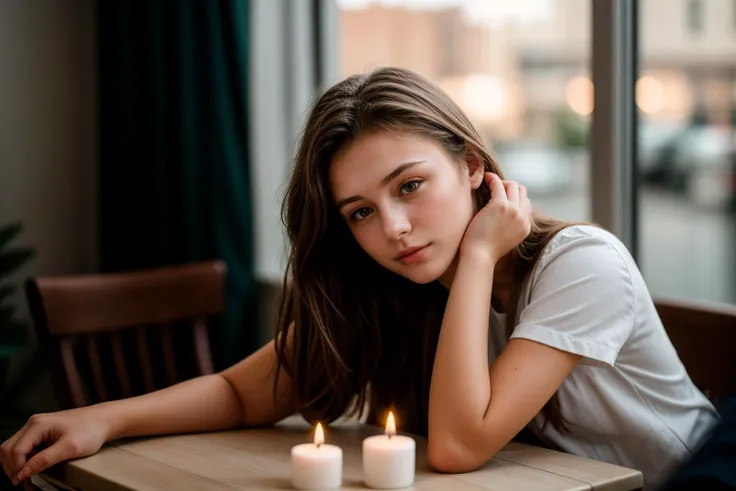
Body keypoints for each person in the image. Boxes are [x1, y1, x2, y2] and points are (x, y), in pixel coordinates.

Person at [0, 67, 718, 490]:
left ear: (473, 166)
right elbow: (243, 389)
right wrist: (102, 417)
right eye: (360, 211)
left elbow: (460, 446)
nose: (393, 228)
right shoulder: (395, 289)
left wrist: (474, 259)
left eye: (410, 185)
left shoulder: (581, 262)